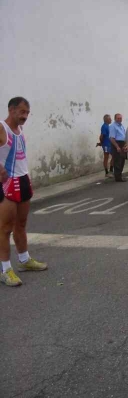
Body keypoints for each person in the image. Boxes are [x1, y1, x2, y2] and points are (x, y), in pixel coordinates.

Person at [0, 97, 47, 287]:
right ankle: (5, 270)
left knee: (21, 223)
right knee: (5, 228)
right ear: (11, 110)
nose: (25, 116)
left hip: (23, 180)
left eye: (27, 112)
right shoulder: (1, 127)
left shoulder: (20, 130)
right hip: (6, 183)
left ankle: (24, 259)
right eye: (22, 112)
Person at [109, 113, 126, 182]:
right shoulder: (113, 126)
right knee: (117, 161)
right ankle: (118, 177)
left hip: (122, 143)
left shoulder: (121, 126)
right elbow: (112, 138)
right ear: (115, 118)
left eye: (120, 118)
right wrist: (117, 147)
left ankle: (120, 175)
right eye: (118, 118)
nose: (119, 119)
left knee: (122, 160)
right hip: (117, 144)